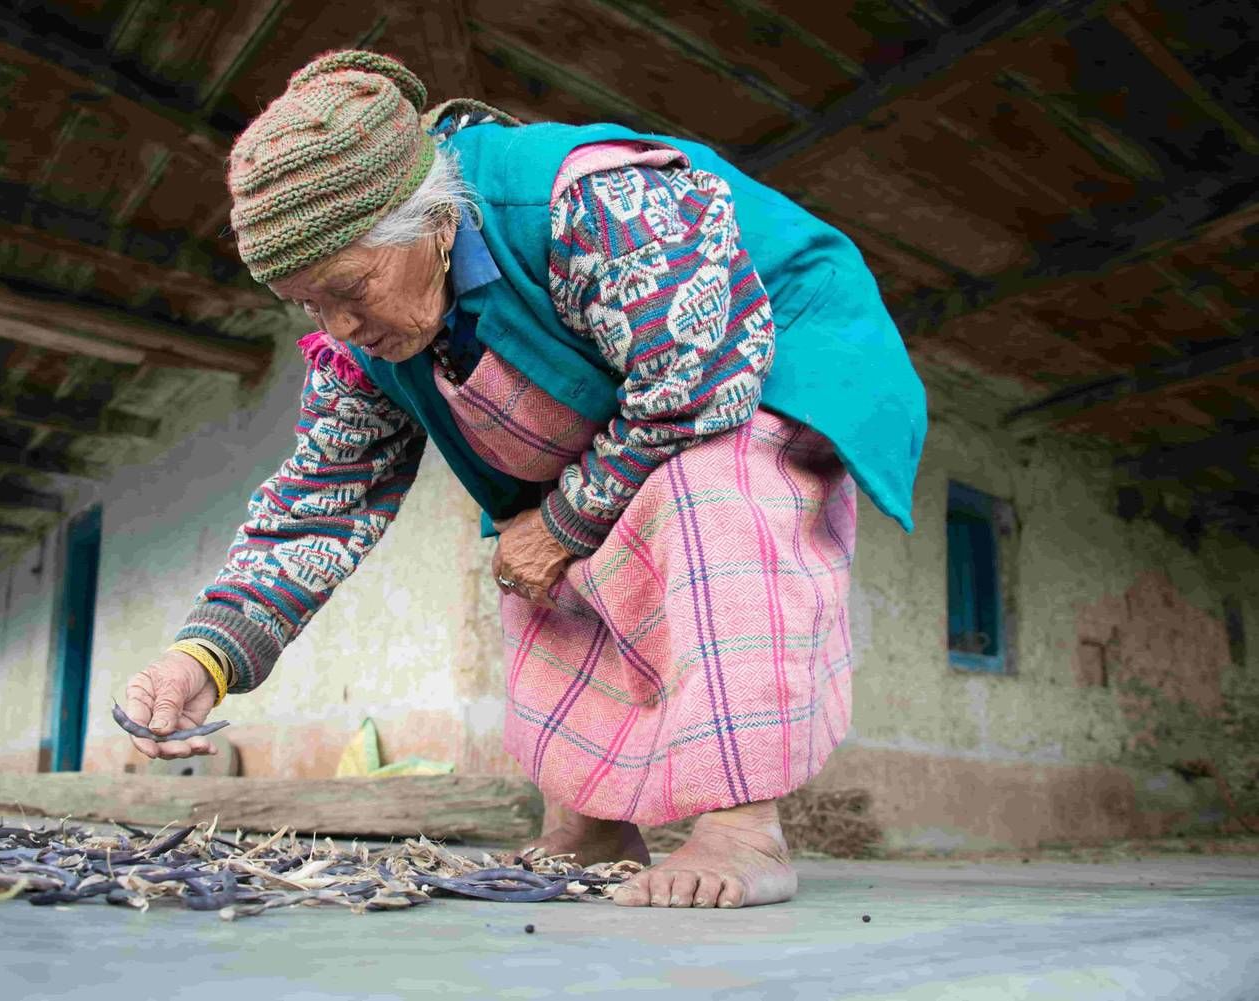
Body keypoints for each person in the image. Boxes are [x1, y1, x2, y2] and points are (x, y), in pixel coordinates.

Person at [121, 50, 926, 909]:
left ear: (427, 220)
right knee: (533, 554)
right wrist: (203, 655)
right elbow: (320, 503)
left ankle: (740, 824)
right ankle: (588, 817)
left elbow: (697, 381)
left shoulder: (592, 196)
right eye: (309, 304)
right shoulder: (361, 346)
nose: (341, 324)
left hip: (761, 356)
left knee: (706, 491)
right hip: (623, 400)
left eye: (349, 287)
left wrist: (568, 519)